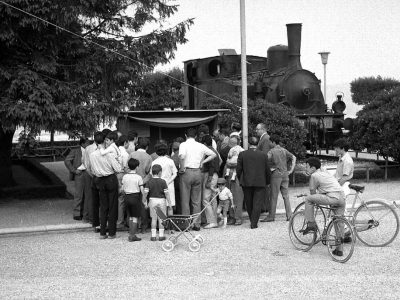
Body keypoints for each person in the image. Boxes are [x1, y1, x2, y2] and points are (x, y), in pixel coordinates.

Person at [302, 157, 346, 256]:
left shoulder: (314, 175)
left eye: (307, 167)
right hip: (342, 197)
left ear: (313, 168)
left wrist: (313, 195)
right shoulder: (326, 173)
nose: (306, 169)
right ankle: (339, 250)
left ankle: (311, 224)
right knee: (338, 221)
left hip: (332, 197)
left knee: (308, 199)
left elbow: (312, 193)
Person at [178, 127, 217, 231]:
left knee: (185, 200)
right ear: (196, 136)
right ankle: (197, 224)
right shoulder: (200, 145)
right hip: (198, 172)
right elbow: (213, 154)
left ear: (185, 135)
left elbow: (182, 157)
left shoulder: (183, 145)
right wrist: (202, 162)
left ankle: (186, 224)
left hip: (186, 172)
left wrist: (182, 168)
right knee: (196, 200)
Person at [89, 132, 122, 239]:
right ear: (104, 141)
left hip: (99, 179)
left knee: (103, 206)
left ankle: (102, 232)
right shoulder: (109, 154)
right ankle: (112, 232)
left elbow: (92, 169)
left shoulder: (92, 154)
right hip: (110, 178)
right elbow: (118, 169)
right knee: (112, 206)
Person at [237, 136, 271, 229]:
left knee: (248, 202)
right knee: (257, 202)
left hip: (246, 181)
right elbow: (267, 170)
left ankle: (252, 220)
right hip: (260, 181)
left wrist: (240, 178)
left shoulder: (242, 154)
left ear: (248, 144)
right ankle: (254, 223)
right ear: (257, 144)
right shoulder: (263, 155)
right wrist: (268, 181)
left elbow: (239, 169)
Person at [261, 135, 296, 222]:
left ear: (273, 142)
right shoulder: (284, 150)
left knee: (273, 196)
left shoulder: (272, 151)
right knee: (286, 196)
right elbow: (294, 157)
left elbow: (264, 159)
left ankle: (271, 216)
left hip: (276, 175)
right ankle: (289, 215)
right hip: (285, 175)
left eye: (270, 142)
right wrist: (291, 170)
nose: (269, 144)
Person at [142, 164, 172, 241]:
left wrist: (144, 201)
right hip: (161, 201)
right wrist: (169, 203)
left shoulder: (149, 182)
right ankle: (161, 235)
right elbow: (167, 193)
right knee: (161, 218)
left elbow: (145, 193)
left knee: (154, 219)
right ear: (160, 172)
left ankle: (153, 236)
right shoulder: (163, 182)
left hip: (152, 200)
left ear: (152, 172)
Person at [129, 137, 152, 233]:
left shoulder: (131, 154)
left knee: (132, 205)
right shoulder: (148, 157)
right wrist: (142, 181)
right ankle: (144, 227)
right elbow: (149, 173)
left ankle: (132, 227)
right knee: (143, 204)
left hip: (132, 182)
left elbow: (127, 168)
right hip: (143, 182)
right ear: (147, 147)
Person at [64, 137, 90, 221]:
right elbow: (67, 160)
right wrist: (74, 170)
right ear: (82, 143)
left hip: (88, 173)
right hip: (79, 174)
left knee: (87, 194)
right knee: (78, 194)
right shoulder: (75, 151)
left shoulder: (90, 150)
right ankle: (77, 213)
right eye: (87, 143)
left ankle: (85, 212)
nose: (88, 144)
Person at [121, 158, 144, 242]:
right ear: (137, 167)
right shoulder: (138, 177)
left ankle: (130, 233)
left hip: (127, 197)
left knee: (130, 216)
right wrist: (144, 200)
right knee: (135, 217)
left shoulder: (125, 176)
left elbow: (122, 189)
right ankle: (132, 235)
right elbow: (142, 190)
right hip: (135, 197)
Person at [201, 135, 220, 229]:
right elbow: (220, 161)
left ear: (204, 143)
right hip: (215, 175)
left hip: (210, 174)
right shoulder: (215, 150)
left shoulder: (208, 151)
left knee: (205, 199)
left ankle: (211, 222)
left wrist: (209, 179)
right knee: (213, 199)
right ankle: (215, 220)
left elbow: (212, 165)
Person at [152, 143, 177, 211]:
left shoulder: (154, 162)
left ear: (156, 152)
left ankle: (161, 221)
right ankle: (169, 221)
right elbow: (175, 173)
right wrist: (168, 181)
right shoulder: (170, 161)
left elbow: (152, 175)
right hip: (169, 185)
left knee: (159, 207)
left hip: (157, 186)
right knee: (169, 206)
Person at [255, 123, 273, 213]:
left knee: (265, 188)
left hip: (263, 167)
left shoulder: (265, 138)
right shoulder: (264, 138)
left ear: (263, 129)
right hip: (263, 166)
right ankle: (265, 206)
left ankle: (265, 207)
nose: (256, 131)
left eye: (257, 129)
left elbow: (265, 154)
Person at [116, 135, 130, 231]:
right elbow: (126, 168)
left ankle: (118, 221)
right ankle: (121, 222)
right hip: (122, 175)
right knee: (122, 200)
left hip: (115, 175)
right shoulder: (125, 154)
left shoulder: (116, 151)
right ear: (125, 143)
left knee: (117, 199)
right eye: (128, 142)